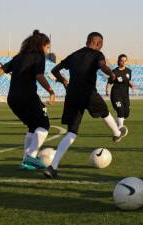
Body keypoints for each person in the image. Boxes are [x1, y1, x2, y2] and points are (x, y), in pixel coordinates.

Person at [43, 32, 127, 178]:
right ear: (98, 44)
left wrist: (63, 81)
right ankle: (116, 133)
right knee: (105, 111)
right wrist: (111, 74)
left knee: (72, 132)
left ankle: (52, 167)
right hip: (88, 92)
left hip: (72, 95)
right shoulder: (97, 55)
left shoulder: (74, 55)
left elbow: (54, 70)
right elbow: (102, 66)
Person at [0, 30, 54, 170]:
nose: (47, 50)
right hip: (27, 96)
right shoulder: (38, 56)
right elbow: (39, 76)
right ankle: (30, 156)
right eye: (47, 47)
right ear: (41, 45)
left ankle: (25, 161)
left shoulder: (19, 57)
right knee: (44, 125)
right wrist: (51, 91)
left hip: (13, 99)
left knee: (33, 127)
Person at [105, 54, 135, 130]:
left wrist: (132, 86)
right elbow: (109, 82)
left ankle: (117, 122)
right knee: (120, 110)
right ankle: (120, 128)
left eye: (125, 60)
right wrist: (107, 91)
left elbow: (128, 81)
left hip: (125, 95)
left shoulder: (128, 71)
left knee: (126, 113)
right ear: (118, 61)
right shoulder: (114, 72)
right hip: (116, 94)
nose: (123, 62)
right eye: (122, 60)